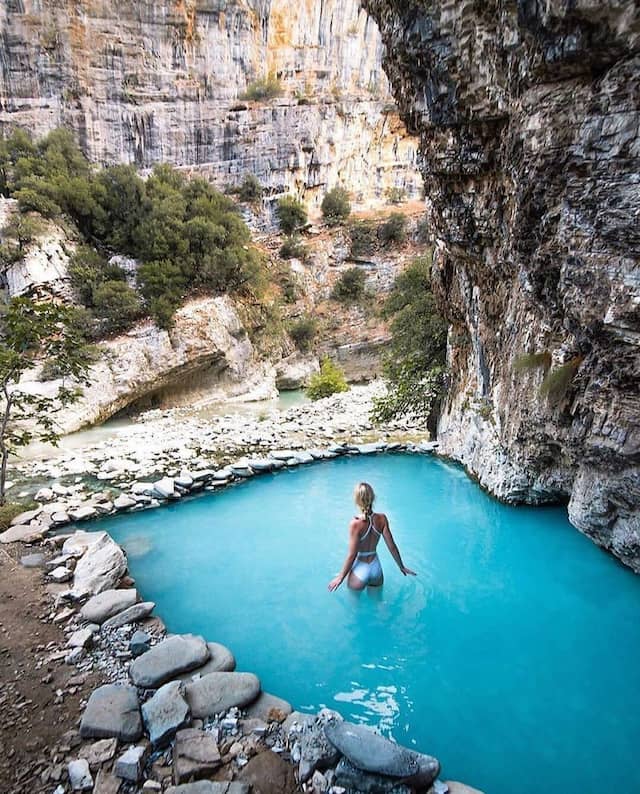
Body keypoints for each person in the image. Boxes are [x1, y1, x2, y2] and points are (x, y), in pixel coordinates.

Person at [327, 482, 416, 592]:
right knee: (379, 605)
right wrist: (401, 566)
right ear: (373, 498)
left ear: (357, 500)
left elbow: (352, 555)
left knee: (356, 607)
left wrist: (340, 577)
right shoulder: (382, 518)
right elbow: (392, 546)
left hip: (359, 570)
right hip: (376, 569)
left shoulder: (355, 524)